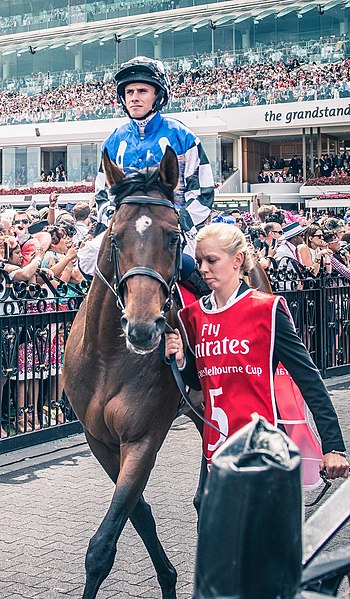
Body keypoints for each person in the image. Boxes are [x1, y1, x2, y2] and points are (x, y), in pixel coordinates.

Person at [165, 223, 348, 481]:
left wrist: (333, 447)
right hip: (216, 455)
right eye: (199, 261)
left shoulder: (268, 310)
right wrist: (183, 361)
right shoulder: (192, 316)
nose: (203, 269)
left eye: (211, 260)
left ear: (237, 260)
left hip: (264, 453)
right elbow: (201, 383)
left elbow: (310, 380)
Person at [95, 56, 214, 259]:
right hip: (124, 231)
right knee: (85, 262)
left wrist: (177, 222)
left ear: (158, 96)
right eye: (129, 92)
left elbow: (203, 193)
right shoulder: (112, 142)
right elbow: (102, 195)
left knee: (197, 271)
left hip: (173, 232)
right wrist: (115, 222)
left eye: (142, 91)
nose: (134, 97)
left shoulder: (184, 137)